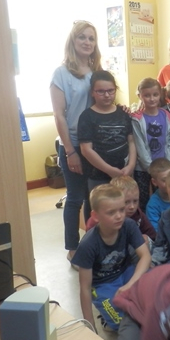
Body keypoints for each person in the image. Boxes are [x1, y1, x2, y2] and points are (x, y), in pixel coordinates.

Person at [50, 20, 102, 264]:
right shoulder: (61, 73)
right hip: (73, 144)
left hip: (95, 144)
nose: (87, 42)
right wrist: (70, 151)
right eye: (82, 37)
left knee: (94, 196)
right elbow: (59, 115)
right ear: (73, 40)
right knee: (74, 198)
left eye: (91, 38)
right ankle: (73, 248)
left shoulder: (96, 71)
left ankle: (94, 243)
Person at [71, 184, 151, 332]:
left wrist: (130, 284)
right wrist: (90, 327)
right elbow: (85, 288)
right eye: (111, 212)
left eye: (121, 209)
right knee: (121, 323)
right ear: (95, 216)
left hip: (126, 272)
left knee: (152, 288)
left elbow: (145, 256)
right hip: (102, 284)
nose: (119, 216)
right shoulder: (88, 244)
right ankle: (107, 320)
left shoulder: (129, 225)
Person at [78, 70, 136, 192]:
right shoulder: (87, 116)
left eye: (110, 90)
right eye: (100, 91)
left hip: (124, 172)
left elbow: (131, 141)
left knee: (125, 202)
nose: (106, 95)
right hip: (98, 176)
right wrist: (109, 170)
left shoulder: (123, 113)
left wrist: (131, 166)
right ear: (92, 92)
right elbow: (86, 150)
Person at [131, 78, 170, 211]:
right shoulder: (137, 119)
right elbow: (139, 145)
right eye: (147, 95)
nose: (151, 99)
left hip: (164, 168)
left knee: (165, 197)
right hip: (143, 168)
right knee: (143, 200)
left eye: (155, 95)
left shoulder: (166, 115)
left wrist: (169, 164)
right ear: (140, 96)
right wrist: (150, 169)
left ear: (160, 94)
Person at [85, 176, 157, 251]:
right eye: (126, 202)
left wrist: (147, 239)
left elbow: (153, 235)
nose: (132, 207)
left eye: (135, 201)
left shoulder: (138, 214)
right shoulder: (95, 223)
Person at [145, 157, 170, 232]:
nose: (169, 182)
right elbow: (156, 232)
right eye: (164, 180)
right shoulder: (152, 205)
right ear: (154, 182)